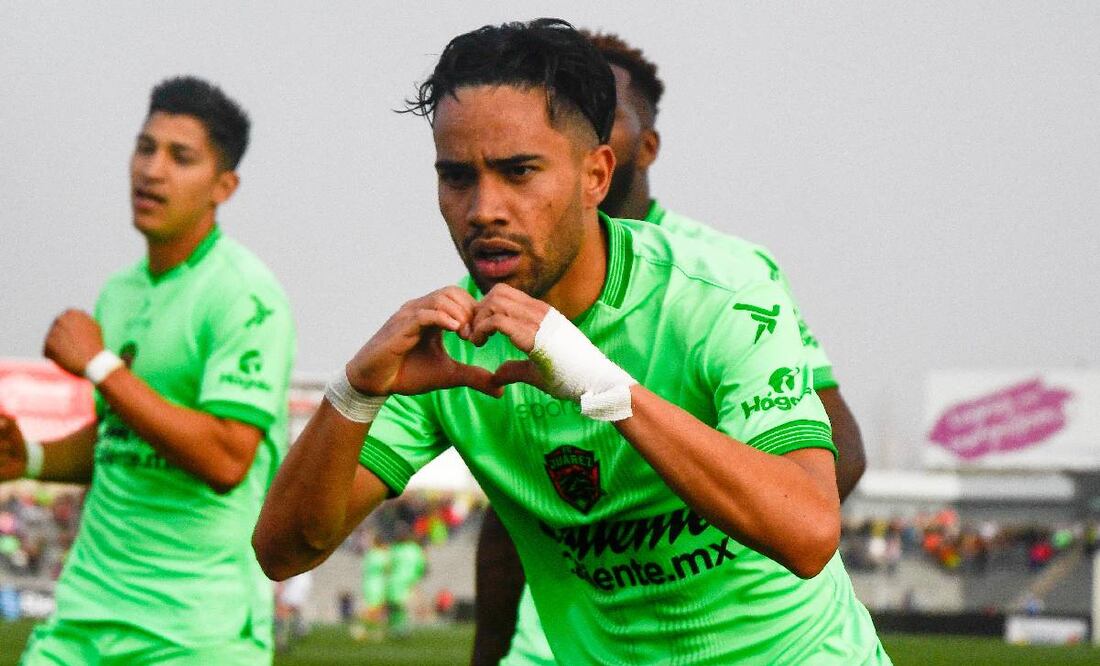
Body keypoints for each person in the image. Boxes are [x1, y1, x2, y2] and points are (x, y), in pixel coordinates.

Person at [253, 19, 890, 664]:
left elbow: (808, 531)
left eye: (519, 171)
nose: (484, 209)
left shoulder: (722, 294)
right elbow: (284, 552)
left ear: (596, 175)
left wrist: (606, 390)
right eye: (457, 176)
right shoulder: (451, 346)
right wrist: (356, 391)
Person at [474, 30, 870, 665]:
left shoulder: (723, 277)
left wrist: (705, 516)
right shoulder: (503, 286)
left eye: (605, 111)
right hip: (562, 637)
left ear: (633, 150)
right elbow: (510, 500)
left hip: (738, 635)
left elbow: (838, 452)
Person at [0, 76, 295, 665]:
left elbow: (225, 458)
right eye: (145, 148)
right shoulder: (120, 293)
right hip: (84, 617)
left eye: (180, 157)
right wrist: (29, 458)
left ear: (224, 186)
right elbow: (121, 436)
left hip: (196, 631)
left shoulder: (246, 296)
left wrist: (103, 366)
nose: (152, 170)